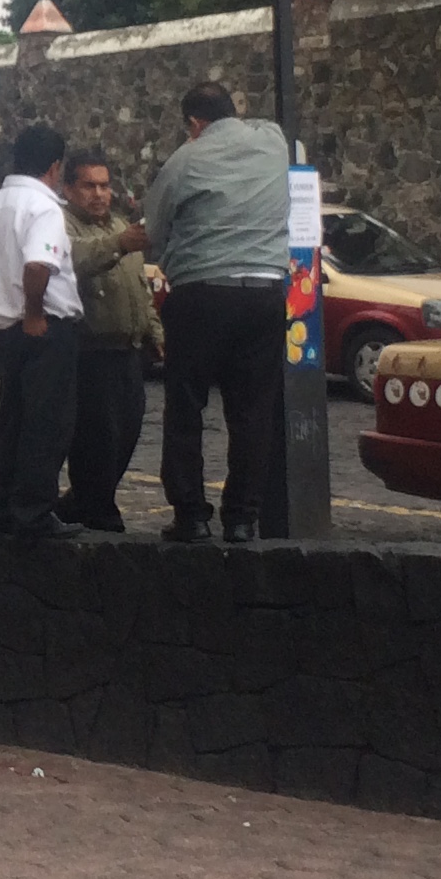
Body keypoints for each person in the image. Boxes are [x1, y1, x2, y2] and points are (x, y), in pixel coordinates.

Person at [140, 80, 293, 542]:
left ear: (193, 123)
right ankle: (243, 517)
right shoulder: (273, 141)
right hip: (266, 292)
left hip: (202, 293)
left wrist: (174, 258)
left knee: (186, 404)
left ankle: (191, 514)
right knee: (253, 411)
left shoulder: (185, 160)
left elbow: (155, 227)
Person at [0, 123, 83, 540]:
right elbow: (38, 265)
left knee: (12, 418)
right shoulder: (43, 208)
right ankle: (33, 510)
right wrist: (35, 312)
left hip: (5, 330)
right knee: (46, 421)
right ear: (55, 166)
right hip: (43, 326)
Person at [56, 150, 158, 533]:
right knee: (96, 434)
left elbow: (140, 287)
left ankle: (83, 500)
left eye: (104, 185)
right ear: (69, 188)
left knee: (128, 430)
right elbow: (74, 259)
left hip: (129, 350)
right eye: (88, 185)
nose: (99, 194)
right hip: (90, 349)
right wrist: (119, 243)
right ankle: (98, 509)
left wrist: (154, 331)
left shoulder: (119, 224)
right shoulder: (64, 225)